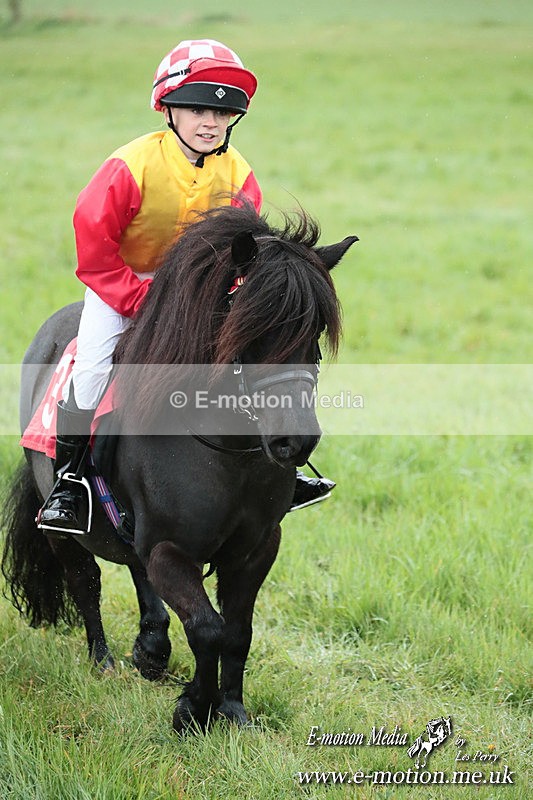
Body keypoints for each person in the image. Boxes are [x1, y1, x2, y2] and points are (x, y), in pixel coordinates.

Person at [38, 38, 335, 535]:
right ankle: (70, 480)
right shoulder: (129, 165)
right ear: (168, 108)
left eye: (222, 115)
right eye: (197, 108)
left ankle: (281, 468)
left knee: (255, 357)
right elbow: (93, 246)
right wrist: (141, 299)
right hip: (123, 284)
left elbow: (249, 245)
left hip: (200, 293)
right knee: (91, 369)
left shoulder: (237, 170)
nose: (209, 123)